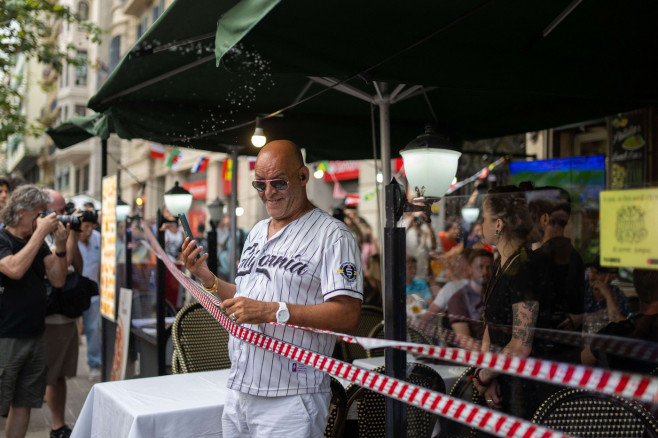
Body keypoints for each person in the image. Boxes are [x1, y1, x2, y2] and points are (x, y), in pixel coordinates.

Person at [181, 140, 362, 437]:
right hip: (240, 389)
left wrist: (271, 311)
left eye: (278, 182)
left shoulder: (333, 236)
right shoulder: (256, 231)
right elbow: (245, 298)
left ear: (303, 177)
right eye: (260, 184)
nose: (268, 193)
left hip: (292, 397)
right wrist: (207, 277)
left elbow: (348, 314)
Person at [472, 185, 557, 421]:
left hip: (526, 392)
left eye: (485, 218)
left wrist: (484, 376)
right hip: (502, 382)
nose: (482, 225)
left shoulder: (525, 268)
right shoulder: (503, 264)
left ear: (499, 224)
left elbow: (521, 345)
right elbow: (491, 327)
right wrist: (488, 376)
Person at [0, 185, 69, 438]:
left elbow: (58, 279)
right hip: (6, 337)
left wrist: (60, 247)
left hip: (35, 335)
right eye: (39, 213)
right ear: (21, 213)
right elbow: (14, 269)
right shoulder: (2, 240)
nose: (43, 218)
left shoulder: (36, 241)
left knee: (24, 404)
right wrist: (41, 234)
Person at [43, 189, 84, 438]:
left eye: (64, 210)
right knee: (52, 374)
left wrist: (74, 237)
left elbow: (77, 265)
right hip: (50, 315)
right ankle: (57, 424)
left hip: (66, 313)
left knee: (60, 375)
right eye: (58, 211)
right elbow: (61, 269)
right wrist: (66, 239)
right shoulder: (41, 237)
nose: (63, 216)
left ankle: (59, 425)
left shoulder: (63, 233)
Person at [582, 268, 658, 374]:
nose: (593, 276)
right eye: (591, 271)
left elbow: (583, 361)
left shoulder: (617, 332)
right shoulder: (582, 290)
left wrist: (608, 295)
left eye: (598, 272)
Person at [447, 249, 493, 342]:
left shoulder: (495, 294)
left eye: (489, 268)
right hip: (480, 353)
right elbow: (466, 342)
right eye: (480, 267)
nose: (484, 272)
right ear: (469, 269)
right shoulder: (459, 299)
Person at [77, 219, 102, 380]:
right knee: (71, 332)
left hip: (93, 294)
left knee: (93, 329)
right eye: (85, 226)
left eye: (91, 226)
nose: (89, 230)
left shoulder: (98, 238)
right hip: (73, 293)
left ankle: (94, 364)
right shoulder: (71, 239)